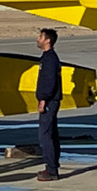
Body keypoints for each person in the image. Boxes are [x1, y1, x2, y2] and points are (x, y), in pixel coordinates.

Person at [35, 28, 62, 181]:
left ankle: (51, 169)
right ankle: (52, 166)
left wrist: (43, 99)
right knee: (50, 134)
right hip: (50, 100)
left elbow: (49, 82)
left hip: (49, 101)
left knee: (45, 135)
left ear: (47, 40)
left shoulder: (50, 59)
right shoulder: (47, 58)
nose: (38, 39)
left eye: (41, 36)